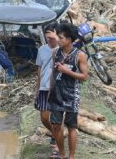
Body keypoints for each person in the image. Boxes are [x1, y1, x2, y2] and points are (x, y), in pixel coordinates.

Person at [48, 23, 88, 159]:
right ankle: (62, 154)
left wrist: (67, 71)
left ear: (69, 39)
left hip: (72, 94)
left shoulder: (80, 55)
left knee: (71, 126)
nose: (57, 40)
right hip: (56, 93)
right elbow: (53, 73)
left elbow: (84, 77)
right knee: (56, 125)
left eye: (61, 38)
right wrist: (50, 90)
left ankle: (71, 156)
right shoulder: (56, 53)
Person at [35, 23, 59, 156]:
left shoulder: (63, 49)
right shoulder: (42, 50)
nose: (49, 39)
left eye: (52, 36)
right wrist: (38, 87)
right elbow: (39, 68)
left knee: (55, 117)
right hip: (44, 87)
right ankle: (56, 133)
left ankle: (57, 145)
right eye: (47, 36)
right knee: (44, 118)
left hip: (57, 89)